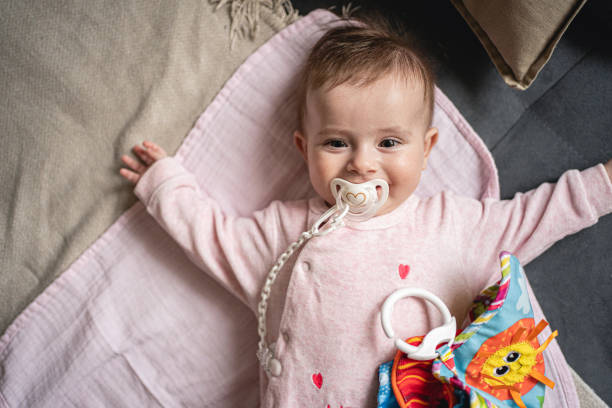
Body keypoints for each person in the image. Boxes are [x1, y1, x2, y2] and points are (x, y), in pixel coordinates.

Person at [119, 21, 612, 407]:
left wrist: (605, 183)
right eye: (336, 142)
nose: (361, 162)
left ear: (427, 149)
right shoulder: (285, 234)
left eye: (389, 142)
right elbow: (213, 236)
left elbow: (544, 212)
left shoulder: (455, 225)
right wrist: (165, 184)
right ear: (304, 148)